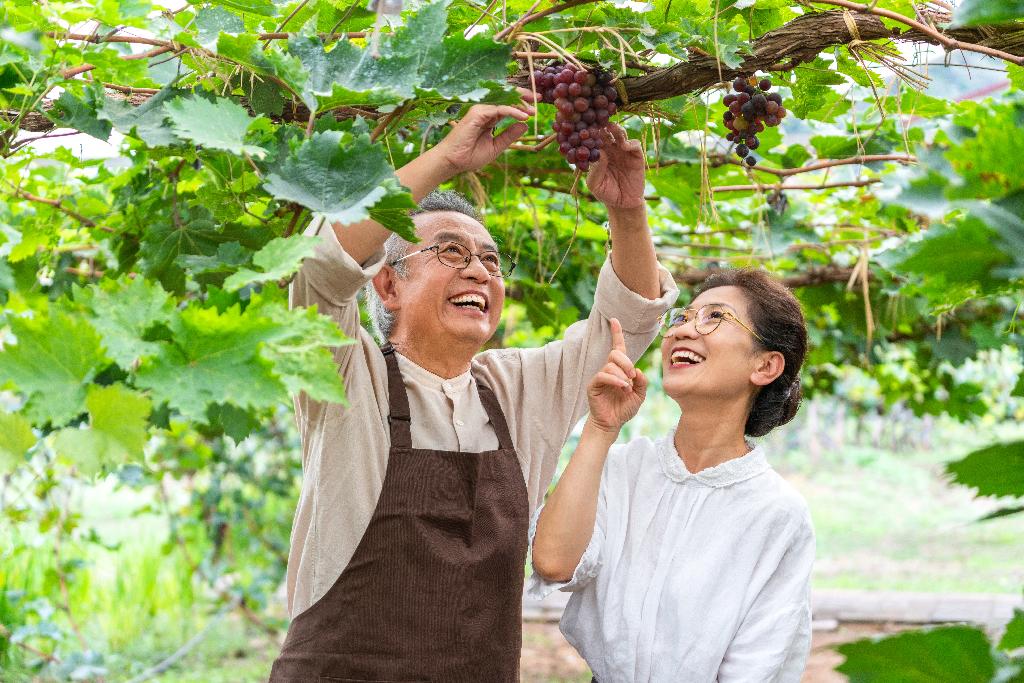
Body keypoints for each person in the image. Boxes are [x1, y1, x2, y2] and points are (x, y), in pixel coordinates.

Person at [268, 94, 680, 683]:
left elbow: (628, 322)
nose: (479, 271)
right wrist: (444, 159)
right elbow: (320, 270)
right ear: (388, 285)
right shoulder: (342, 373)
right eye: (451, 251)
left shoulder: (515, 391)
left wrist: (628, 210)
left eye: (490, 260)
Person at [529, 269, 815, 682]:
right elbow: (553, 563)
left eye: (714, 317)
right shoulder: (623, 467)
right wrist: (601, 428)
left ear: (766, 365)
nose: (683, 331)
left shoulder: (777, 513)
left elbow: (758, 666)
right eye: (682, 318)